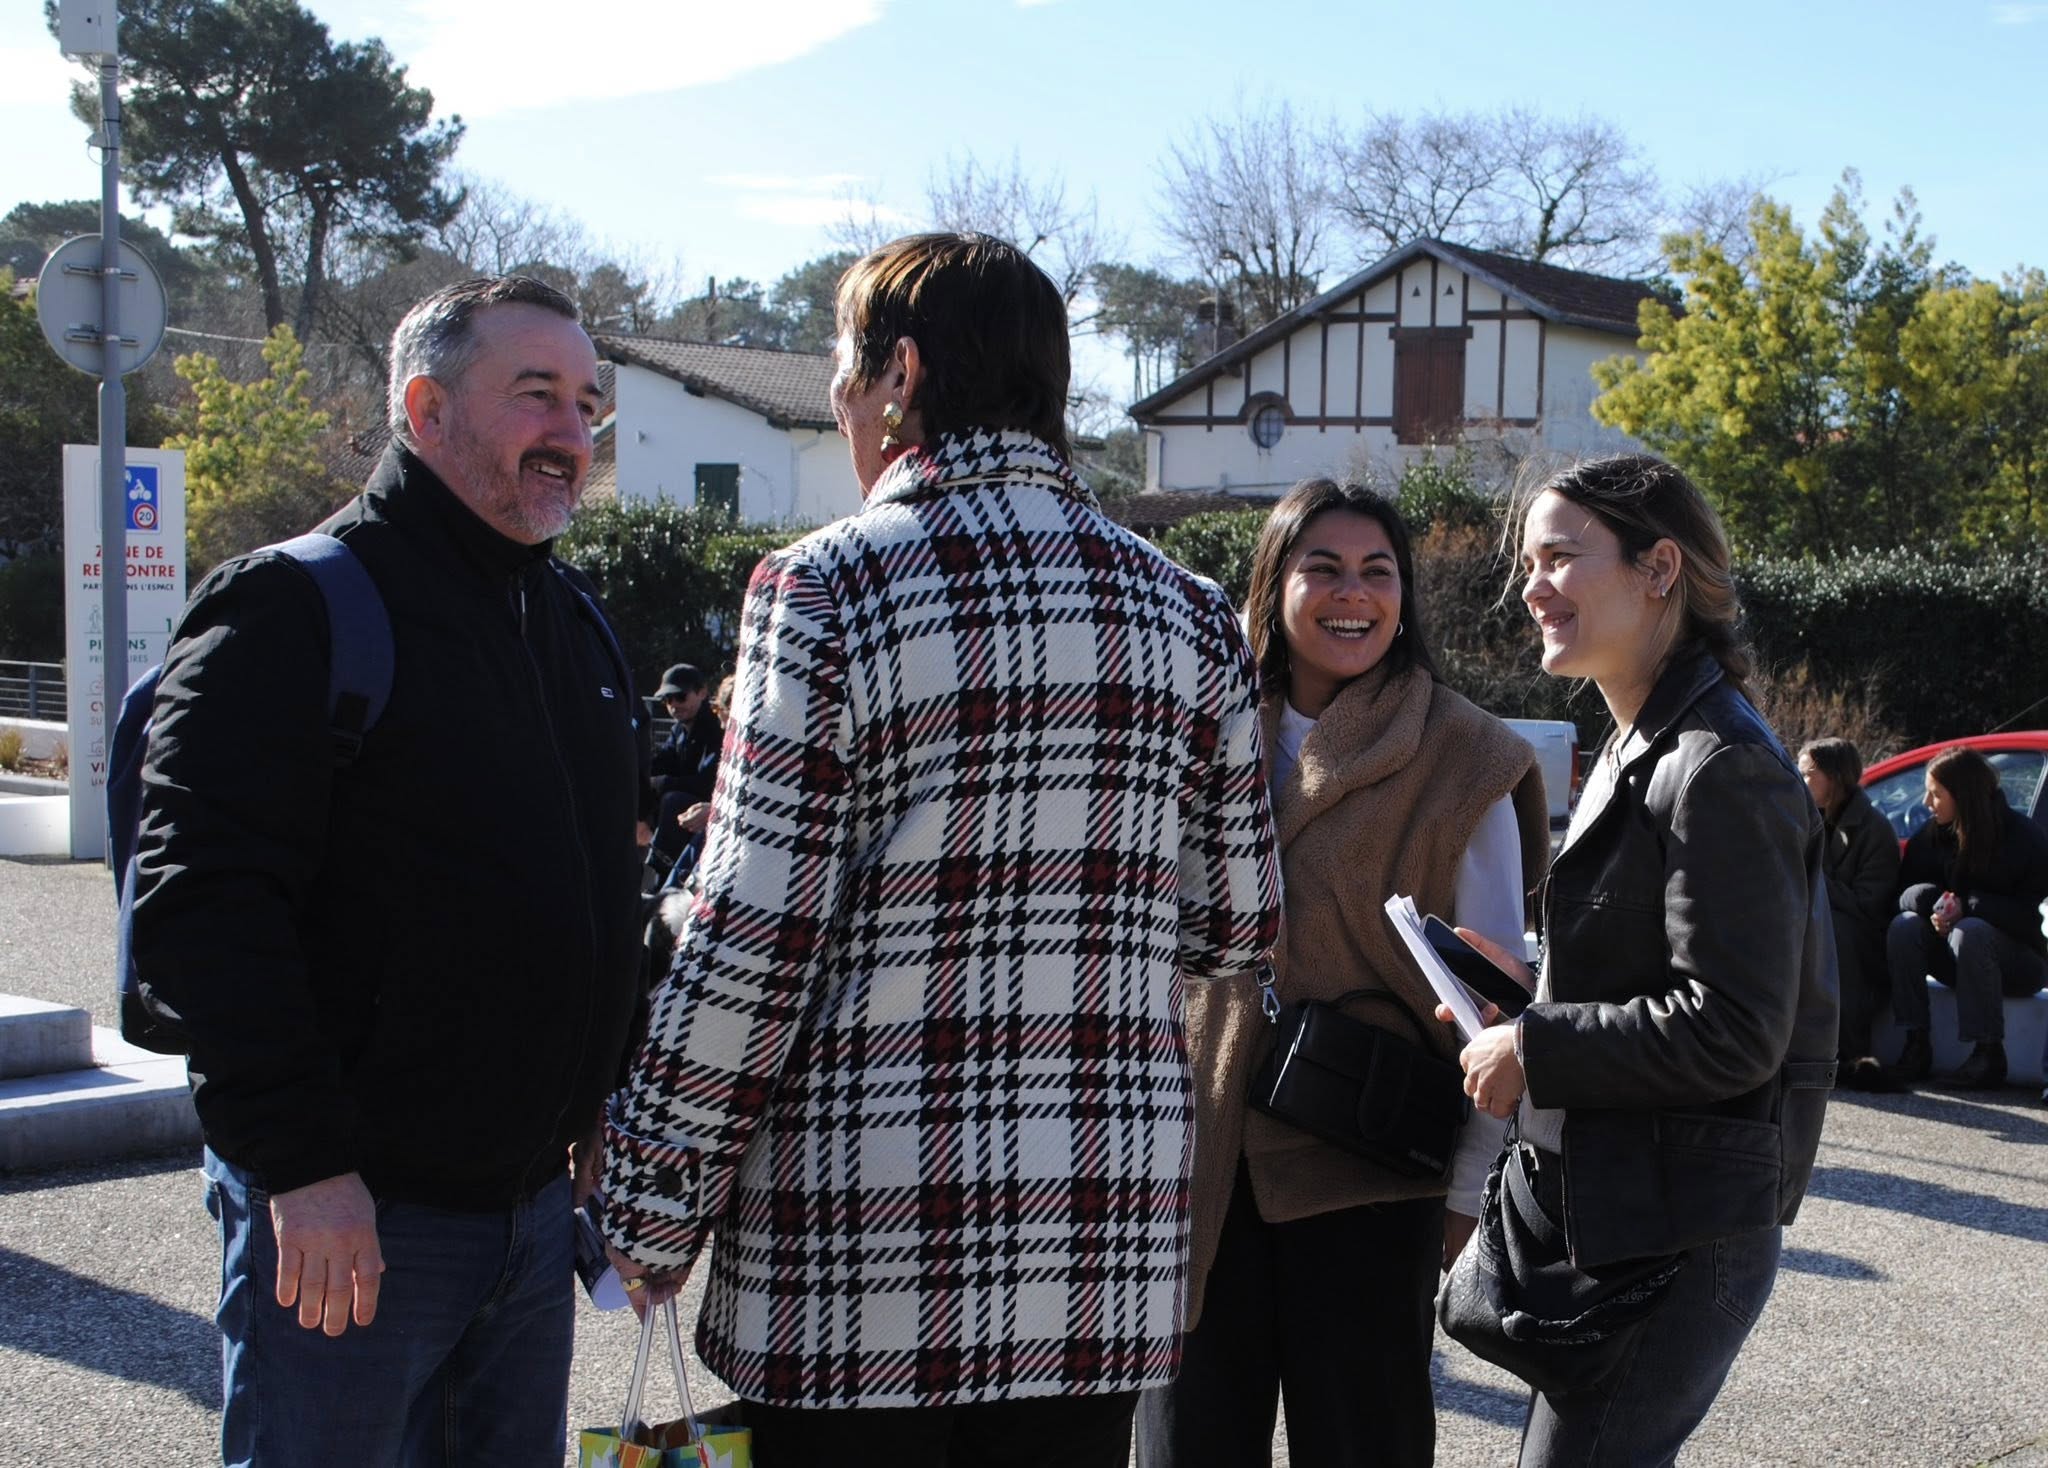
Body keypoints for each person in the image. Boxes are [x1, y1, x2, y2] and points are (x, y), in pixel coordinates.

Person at [596, 232, 1283, 1468]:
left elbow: (755, 935)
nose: (844, 408)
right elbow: (1234, 928)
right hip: (1094, 1238)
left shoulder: (825, 590)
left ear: (900, 371)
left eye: (845, 380)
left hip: (860, 1241)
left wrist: (653, 1200)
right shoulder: (1184, 607)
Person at [130, 275, 647, 1467]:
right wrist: (304, 1164)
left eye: (585, 402)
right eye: (536, 396)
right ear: (424, 407)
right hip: (352, 1223)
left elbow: (593, 898)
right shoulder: (292, 607)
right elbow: (202, 908)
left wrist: (598, 1106)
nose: (573, 433)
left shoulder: (573, 626)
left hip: (526, 1225)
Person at [1135, 480, 1549, 1468]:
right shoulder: (1198, 728)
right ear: (1272, 584)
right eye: (1320, 568)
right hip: (1196, 1167)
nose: (1350, 594)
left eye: (1376, 572)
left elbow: (1491, 999)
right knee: (1187, 1447)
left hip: (1367, 1174)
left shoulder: (1464, 756)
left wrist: (1464, 1191)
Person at [1447, 453, 1837, 1467]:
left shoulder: (1719, 765)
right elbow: (1659, 970)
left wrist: (1538, 1041)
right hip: (1631, 1214)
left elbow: (1734, 1027)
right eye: (1528, 562)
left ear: (1658, 566)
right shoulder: (1642, 738)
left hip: (1677, 1234)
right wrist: (1525, 978)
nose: (1530, 587)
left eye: (1561, 559)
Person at [1885, 745, 2048, 1090]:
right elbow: (1901, 895)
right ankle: (1916, 1043)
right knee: (1904, 926)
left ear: (1963, 795)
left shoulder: (2024, 838)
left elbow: (2032, 919)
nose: (1927, 803)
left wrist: (1968, 906)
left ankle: (1988, 1052)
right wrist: (1934, 904)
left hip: (2020, 962)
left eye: (1936, 794)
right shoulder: (1930, 836)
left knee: (1970, 931)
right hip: (1956, 960)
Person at [1799, 737, 1900, 1088]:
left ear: (1836, 777)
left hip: (1863, 943)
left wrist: (1813, 877)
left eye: (1810, 774)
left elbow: (1866, 905)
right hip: (1822, 931)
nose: (1802, 781)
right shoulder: (1806, 819)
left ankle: (1849, 1049)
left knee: (1834, 926)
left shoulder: (1875, 830)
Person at [646, 661, 722, 865]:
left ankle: (658, 871)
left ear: (702, 693)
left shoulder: (716, 730)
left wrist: (662, 782)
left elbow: (707, 783)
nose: (673, 704)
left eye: (680, 696)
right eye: (667, 699)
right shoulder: (679, 730)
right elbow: (661, 764)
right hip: (689, 807)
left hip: (710, 806)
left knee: (673, 799)